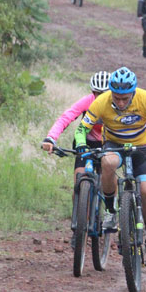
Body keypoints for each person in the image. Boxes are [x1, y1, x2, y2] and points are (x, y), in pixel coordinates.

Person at [73, 67, 146, 268]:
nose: (120, 102)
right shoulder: (101, 101)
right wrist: (80, 142)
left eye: (125, 98)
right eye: (117, 97)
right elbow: (82, 128)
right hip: (114, 145)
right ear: (111, 92)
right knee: (108, 162)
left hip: (141, 148)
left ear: (133, 92)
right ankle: (112, 212)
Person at [41, 71, 111, 225]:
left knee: (108, 177)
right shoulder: (87, 101)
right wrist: (51, 138)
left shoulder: (117, 105)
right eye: (96, 93)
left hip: (109, 144)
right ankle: (79, 224)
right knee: (79, 182)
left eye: (104, 93)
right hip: (86, 143)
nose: (100, 97)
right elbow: (66, 117)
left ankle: (109, 212)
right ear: (92, 92)